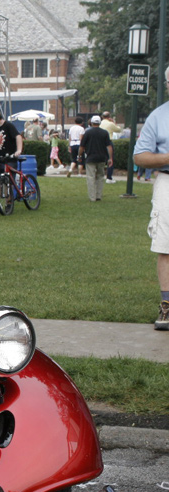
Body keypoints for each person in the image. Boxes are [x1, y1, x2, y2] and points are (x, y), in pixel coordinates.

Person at [133, 65, 169, 333]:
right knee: (165, 245)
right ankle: (167, 305)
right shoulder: (158, 117)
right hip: (167, 182)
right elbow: (140, 157)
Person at [78, 115, 112, 202]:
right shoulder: (105, 133)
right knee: (100, 177)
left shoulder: (87, 132)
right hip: (102, 158)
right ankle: (98, 196)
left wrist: (79, 156)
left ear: (92, 123)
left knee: (90, 177)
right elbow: (109, 146)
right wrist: (110, 158)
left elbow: (82, 146)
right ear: (100, 122)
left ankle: (92, 197)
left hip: (90, 158)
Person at [99, 112, 122, 182]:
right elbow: (119, 130)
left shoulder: (99, 123)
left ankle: (99, 176)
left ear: (102, 117)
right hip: (108, 142)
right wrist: (113, 122)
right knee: (110, 159)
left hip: (99, 143)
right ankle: (109, 177)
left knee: (100, 160)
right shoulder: (110, 124)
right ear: (109, 117)